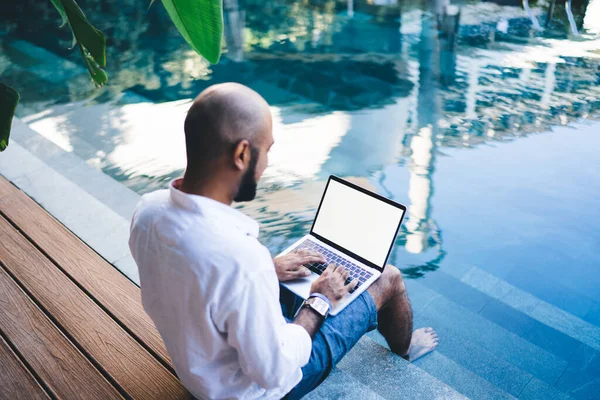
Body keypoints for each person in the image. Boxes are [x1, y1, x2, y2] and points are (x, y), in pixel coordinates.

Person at [128, 82, 439, 400]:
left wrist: (267, 269)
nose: (266, 165)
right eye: (267, 150)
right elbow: (273, 371)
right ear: (242, 154)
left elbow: (199, 279)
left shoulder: (148, 211)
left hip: (197, 369)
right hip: (256, 391)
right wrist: (319, 302)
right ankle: (404, 352)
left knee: (297, 276)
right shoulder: (238, 258)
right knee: (388, 277)